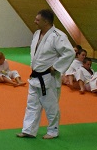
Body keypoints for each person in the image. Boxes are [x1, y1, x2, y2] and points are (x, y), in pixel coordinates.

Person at [17, 9, 75, 139]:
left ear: (46, 21)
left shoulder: (58, 36)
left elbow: (70, 53)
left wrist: (56, 66)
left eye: (37, 20)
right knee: (32, 104)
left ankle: (53, 131)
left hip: (48, 78)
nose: (35, 22)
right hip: (35, 76)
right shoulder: (37, 34)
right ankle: (28, 130)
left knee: (50, 106)